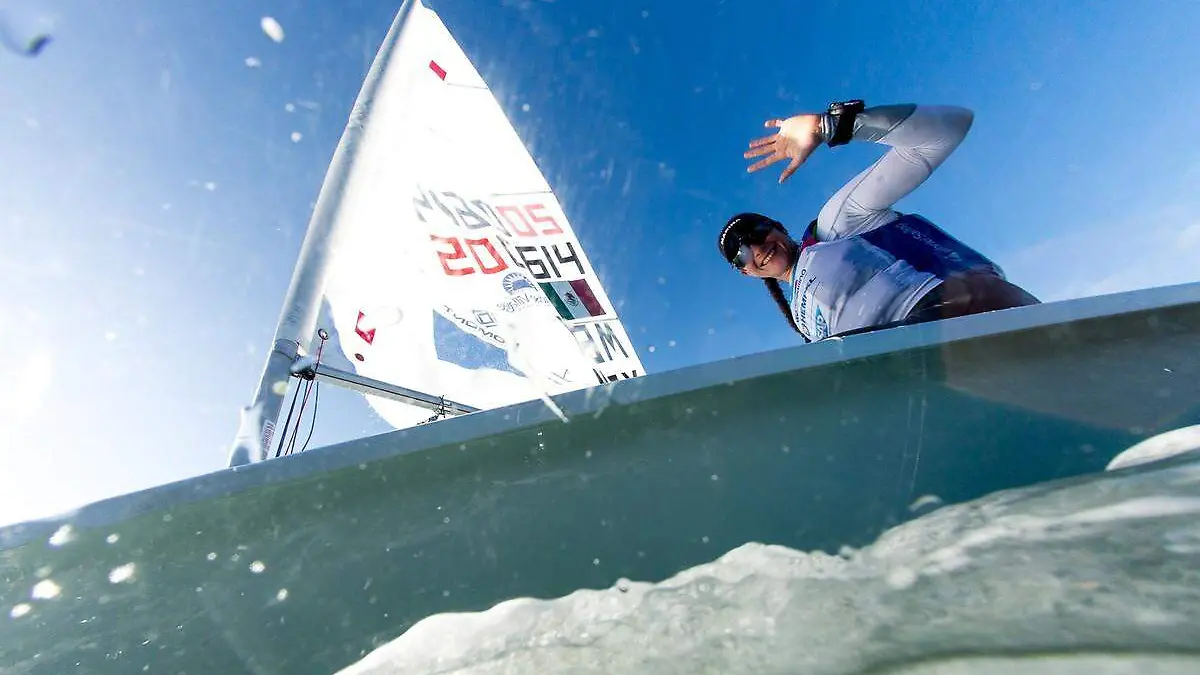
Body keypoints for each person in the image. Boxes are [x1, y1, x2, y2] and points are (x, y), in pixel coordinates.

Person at [717, 100, 1039, 342]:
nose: (755, 248)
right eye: (740, 253)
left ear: (778, 227)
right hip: (911, 373)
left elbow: (944, 133)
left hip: (957, 317)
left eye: (756, 232)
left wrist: (830, 126)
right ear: (746, 272)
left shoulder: (835, 225)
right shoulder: (804, 325)